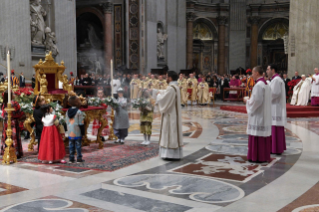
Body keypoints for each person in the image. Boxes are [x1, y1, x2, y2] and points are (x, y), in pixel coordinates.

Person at [244, 66, 272, 163]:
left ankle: (257, 156)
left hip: (258, 115)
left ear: (256, 73)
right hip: (264, 114)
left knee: (257, 135)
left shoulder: (259, 85)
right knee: (262, 136)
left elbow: (257, 101)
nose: (252, 75)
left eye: (252, 73)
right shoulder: (266, 84)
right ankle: (263, 156)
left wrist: (248, 101)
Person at [155, 71, 183, 160]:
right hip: (174, 113)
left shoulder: (171, 88)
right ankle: (174, 154)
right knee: (173, 132)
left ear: (170, 78)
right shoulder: (176, 87)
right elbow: (167, 93)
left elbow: (165, 100)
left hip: (171, 115)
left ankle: (169, 155)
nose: (165, 79)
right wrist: (160, 91)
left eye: (166, 77)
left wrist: (159, 96)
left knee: (170, 132)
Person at [267, 64, 287, 155]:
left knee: (275, 126)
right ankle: (275, 147)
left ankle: (276, 148)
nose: (267, 71)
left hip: (275, 107)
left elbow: (274, 94)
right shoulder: (276, 79)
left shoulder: (276, 80)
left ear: (273, 70)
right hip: (275, 106)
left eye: (268, 69)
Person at [0, 91, 24, 159]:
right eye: (13, 93)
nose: (14, 94)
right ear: (10, 95)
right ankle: (16, 152)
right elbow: (19, 113)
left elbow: (3, 114)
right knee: (14, 136)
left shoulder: (4, 104)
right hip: (13, 122)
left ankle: (5, 150)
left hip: (6, 122)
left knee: (6, 135)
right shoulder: (14, 103)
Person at [66, 96, 85, 163]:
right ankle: (79, 158)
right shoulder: (79, 112)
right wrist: (83, 133)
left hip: (70, 131)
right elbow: (81, 123)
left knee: (71, 145)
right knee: (78, 146)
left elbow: (67, 122)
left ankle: (71, 158)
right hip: (77, 131)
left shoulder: (67, 111)